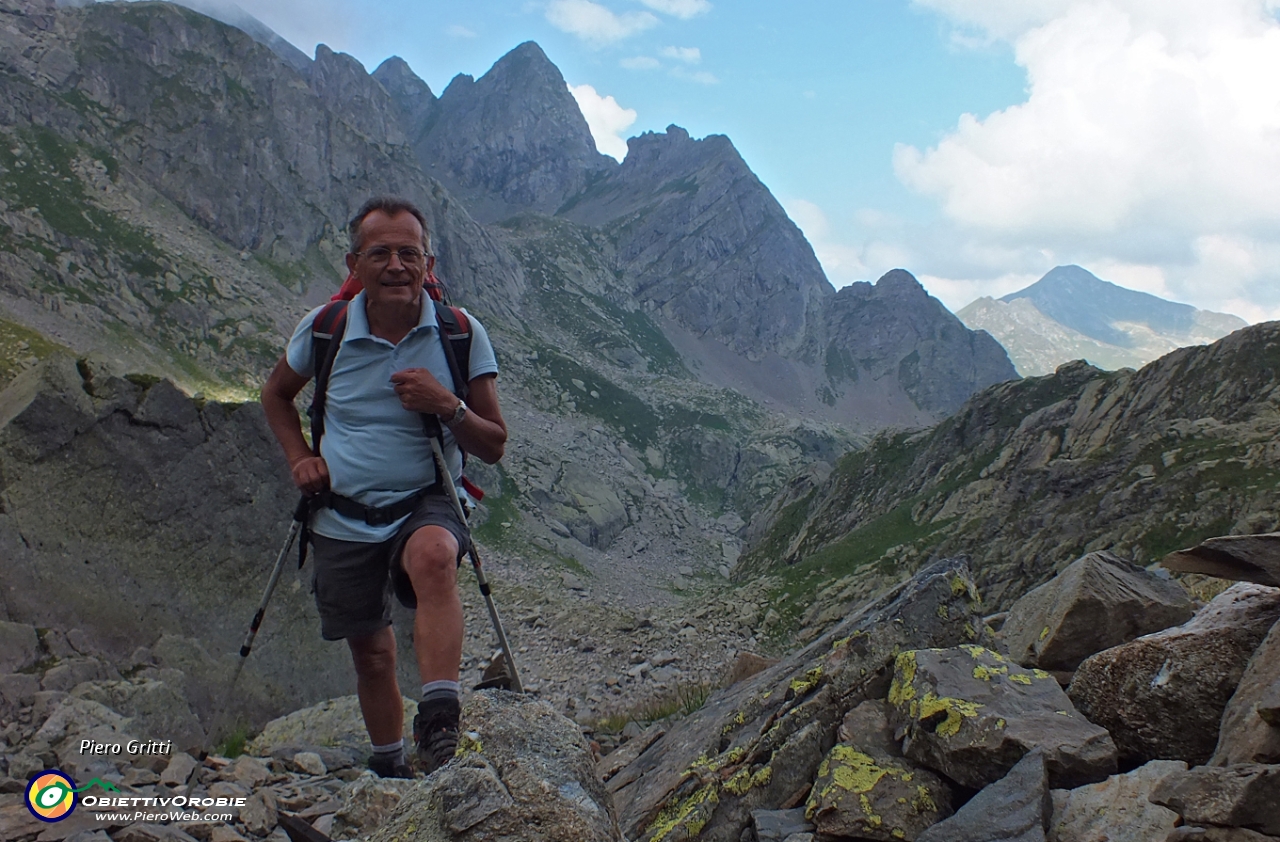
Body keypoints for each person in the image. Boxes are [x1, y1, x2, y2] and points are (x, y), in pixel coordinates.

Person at [261, 196, 507, 777]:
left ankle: (440, 721)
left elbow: (493, 443)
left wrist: (447, 406)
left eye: (408, 253)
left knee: (434, 556)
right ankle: (390, 766)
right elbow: (276, 395)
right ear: (355, 264)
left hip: (427, 496)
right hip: (342, 511)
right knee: (371, 653)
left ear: (429, 262)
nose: (396, 265)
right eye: (380, 253)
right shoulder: (324, 330)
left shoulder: (461, 333)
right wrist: (300, 459)